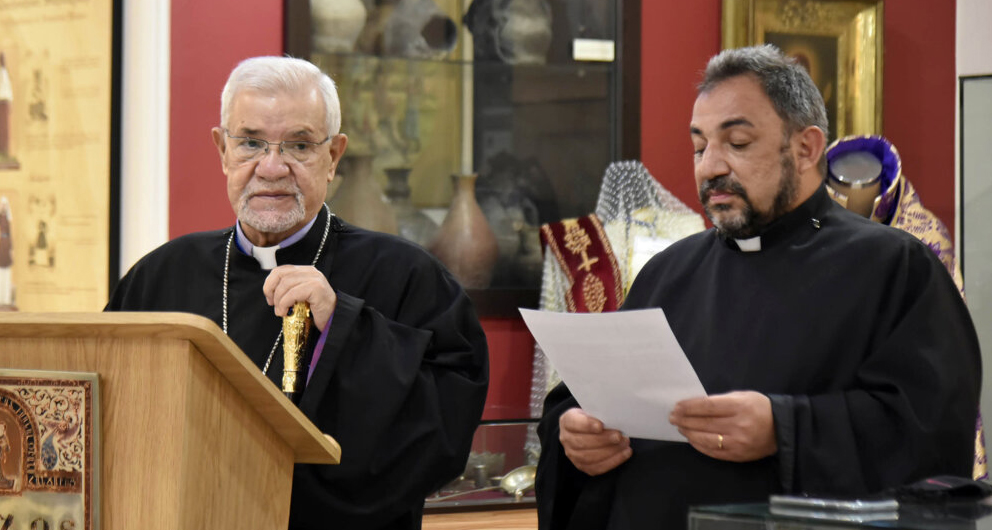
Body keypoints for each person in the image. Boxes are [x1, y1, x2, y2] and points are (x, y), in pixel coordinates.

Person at [535, 45, 982, 530]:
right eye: (699, 146)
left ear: (807, 147)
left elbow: (931, 434)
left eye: (738, 143)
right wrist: (575, 433)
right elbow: (593, 395)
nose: (710, 167)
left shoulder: (895, 267)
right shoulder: (668, 272)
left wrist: (784, 430)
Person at [105, 56, 489, 530]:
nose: (271, 167)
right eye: (249, 143)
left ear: (333, 157)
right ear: (222, 150)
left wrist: (345, 324)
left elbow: (446, 432)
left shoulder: (408, 276)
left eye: (300, 145)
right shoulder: (160, 276)